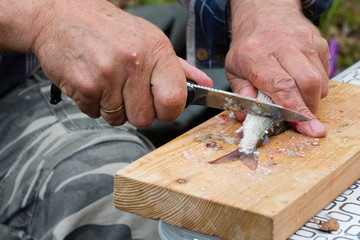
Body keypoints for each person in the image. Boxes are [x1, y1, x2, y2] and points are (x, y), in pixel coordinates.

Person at [0, 0, 331, 239]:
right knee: (118, 206)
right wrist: (45, 16)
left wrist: (262, 9)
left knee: (205, 38)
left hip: (32, 51)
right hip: (14, 78)